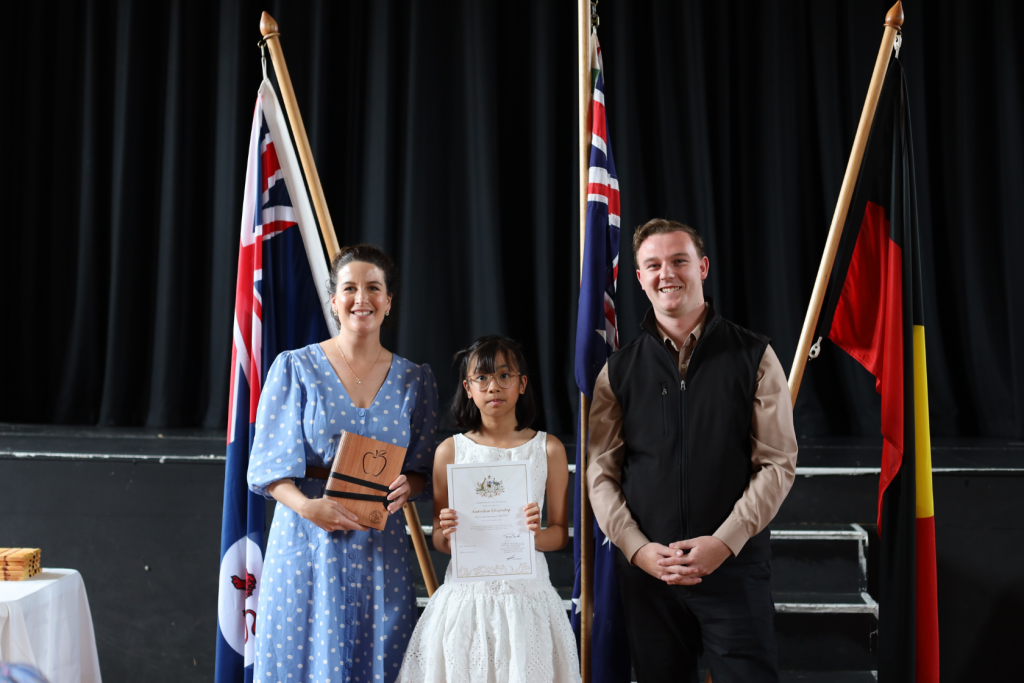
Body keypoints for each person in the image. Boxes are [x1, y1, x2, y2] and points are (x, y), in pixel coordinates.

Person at [587, 219, 798, 682]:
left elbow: (777, 463)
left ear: (701, 266)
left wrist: (725, 543)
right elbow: (600, 473)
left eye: (679, 260)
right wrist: (637, 550)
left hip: (734, 572)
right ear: (639, 278)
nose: (668, 273)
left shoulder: (754, 356)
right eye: (654, 264)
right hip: (649, 578)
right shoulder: (618, 371)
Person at [247, 244, 437, 683]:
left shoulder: (414, 379)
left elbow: (422, 467)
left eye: (374, 288)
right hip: (307, 538)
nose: (361, 299)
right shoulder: (295, 368)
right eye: (349, 288)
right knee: (301, 660)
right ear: (334, 299)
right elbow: (269, 468)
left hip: (380, 546)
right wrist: (308, 508)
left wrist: (411, 484)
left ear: (389, 301)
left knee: (381, 658)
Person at [397, 336, 580, 683]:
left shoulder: (549, 449)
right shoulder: (450, 451)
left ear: (522, 383)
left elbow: (558, 533)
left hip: (527, 599)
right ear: (468, 387)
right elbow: (441, 540)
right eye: (481, 378)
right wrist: (448, 532)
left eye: (504, 376)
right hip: (467, 600)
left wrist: (535, 534)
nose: (493, 386)